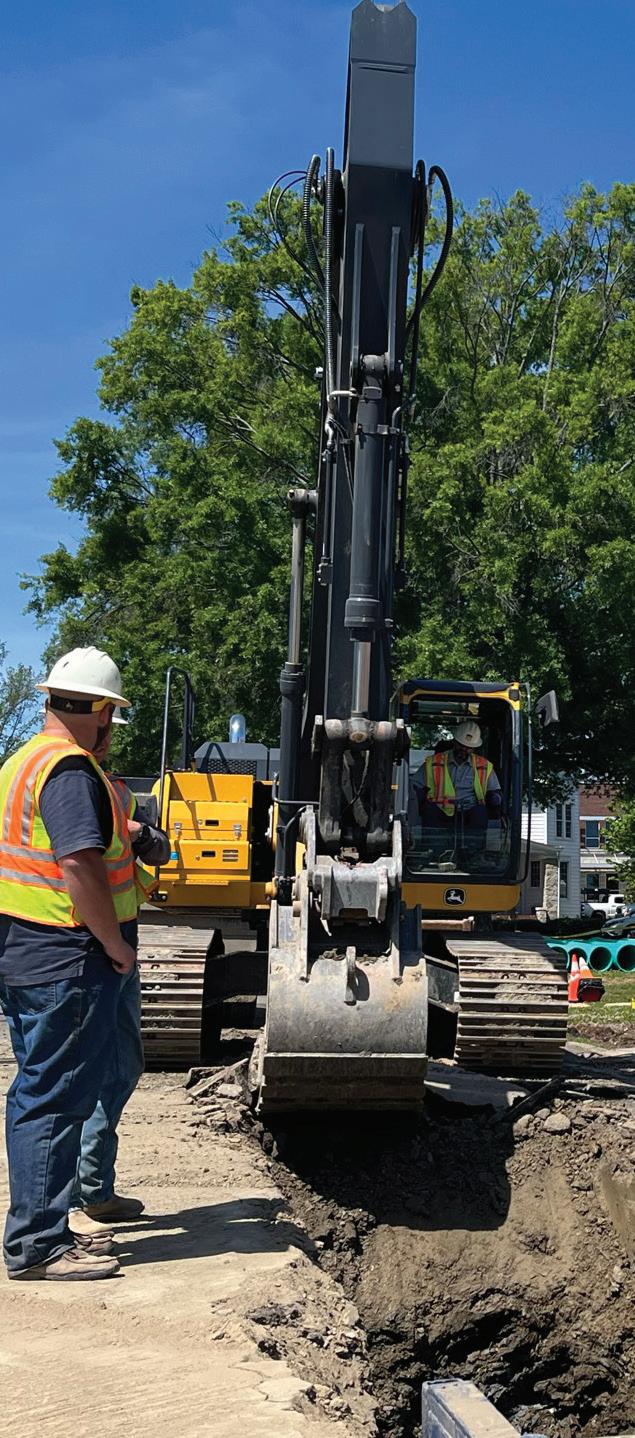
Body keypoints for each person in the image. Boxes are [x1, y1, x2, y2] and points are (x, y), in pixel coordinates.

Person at [0, 646, 137, 1281]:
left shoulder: (20, 761)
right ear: (102, 711)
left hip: (25, 949)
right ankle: (39, 1244)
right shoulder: (71, 770)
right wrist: (115, 944)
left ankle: (44, 1227)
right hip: (68, 955)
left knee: (38, 1090)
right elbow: (79, 864)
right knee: (54, 1098)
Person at [69, 712, 170, 1241]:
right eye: (107, 726)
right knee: (76, 1073)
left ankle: (93, 1188)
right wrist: (112, 943)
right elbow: (76, 864)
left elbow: (154, 852)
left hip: (119, 940)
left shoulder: (117, 792)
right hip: (82, 945)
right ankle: (70, 1200)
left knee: (120, 1066)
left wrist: (146, 837)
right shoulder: (65, 785)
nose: (110, 737)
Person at [413, 720, 502, 848]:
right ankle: (434, 852)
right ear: (454, 742)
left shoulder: (484, 766)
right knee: (429, 810)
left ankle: (474, 853)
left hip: (470, 813)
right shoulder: (433, 763)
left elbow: (495, 791)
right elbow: (414, 788)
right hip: (440, 812)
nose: (464, 750)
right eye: (461, 745)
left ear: (474, 748)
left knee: (481, 812)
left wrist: (495, 798)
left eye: (468, 747)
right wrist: (418, 797)